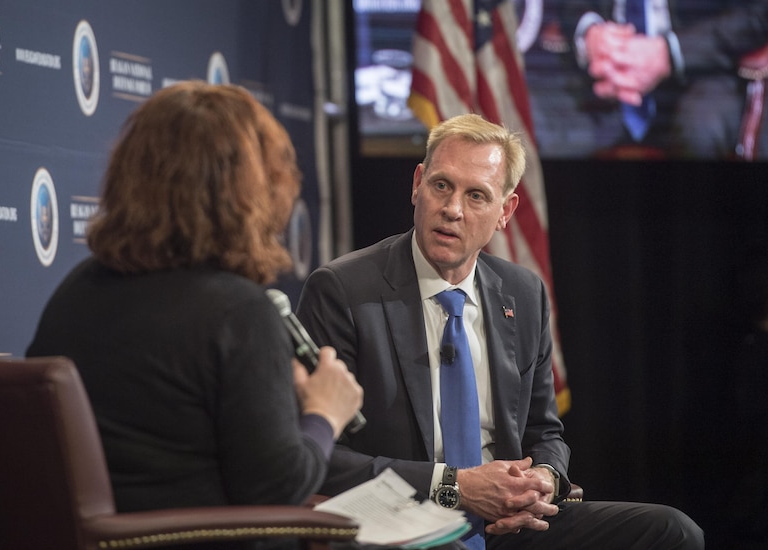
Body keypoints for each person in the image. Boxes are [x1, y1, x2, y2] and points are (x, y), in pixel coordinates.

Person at [296, 113, 704, 548]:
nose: (452, 209)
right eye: (441, 186)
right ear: (417, 184)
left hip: (505, 523)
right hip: (405, 518)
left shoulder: (523, 293)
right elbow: (318, 453)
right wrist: (453, 484)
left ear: (505, 211)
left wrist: (542, 480)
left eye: (476, 195)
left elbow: (545, 431)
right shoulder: (343, 289)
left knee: (672, 531)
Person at [26, 81, 363, 515]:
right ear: (251, 190)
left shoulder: (78, 288)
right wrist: (324, 412)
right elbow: (278, 489)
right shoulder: (239, 312)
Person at [566, 0, 768, 158]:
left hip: (704, 67)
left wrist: (669, 52)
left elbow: (758, 14)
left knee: (700, 130)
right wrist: (590, 32)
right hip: (606, 72)